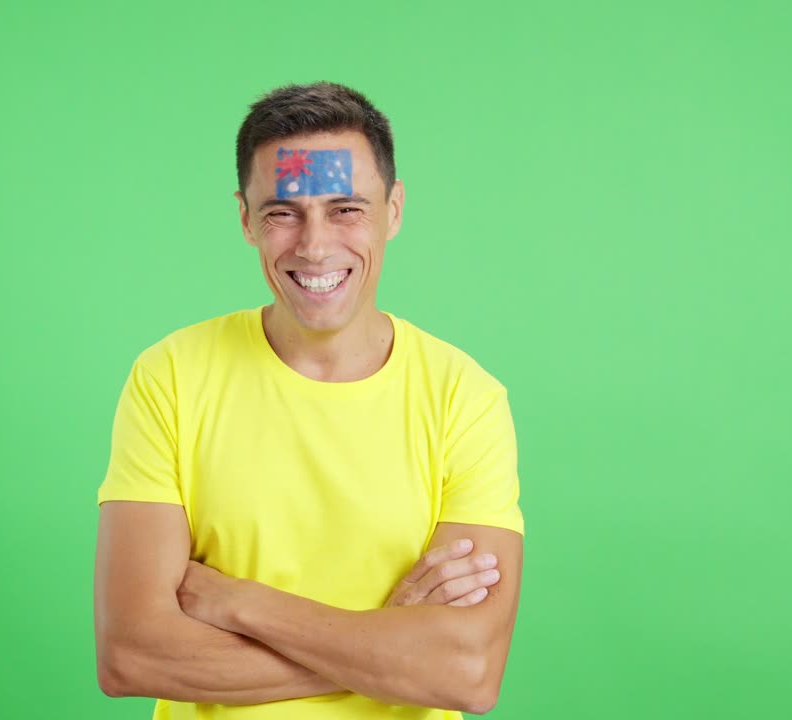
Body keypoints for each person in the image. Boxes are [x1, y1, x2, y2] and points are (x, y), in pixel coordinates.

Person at [93, 81, 525, 719]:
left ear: (394, 210)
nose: (315, 245)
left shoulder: (466, 398)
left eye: (345, 209)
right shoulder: (171, 377)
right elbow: (132, 656)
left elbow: (468, 672)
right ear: (246, 219)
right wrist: (387, 643)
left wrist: (244, 604)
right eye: (282, 213)